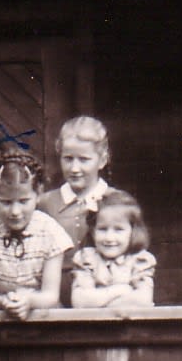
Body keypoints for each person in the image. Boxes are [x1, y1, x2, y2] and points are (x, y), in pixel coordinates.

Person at [0, 151, 73, 321]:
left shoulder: (51, 233)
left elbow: (50, 295)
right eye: (6, 202)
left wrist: (28, 301)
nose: (15, 211)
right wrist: (6, 302)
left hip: (44, 318)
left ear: (38, 194)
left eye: (24, 201)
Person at [37, 116, 122, 305]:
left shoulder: (118, 202)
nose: (74, 168)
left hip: (104, 300)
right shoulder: (44, 204)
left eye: (84, 160)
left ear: (102, 160)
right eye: (68, 159)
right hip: (53, 303)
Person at [69, 190, 156, 308]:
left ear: (133, 231)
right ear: (93, 231)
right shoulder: (86, 258)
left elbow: (143, 300)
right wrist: (120, 290)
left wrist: (98, 303)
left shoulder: (140, 260)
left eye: (118, 229)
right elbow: (80, 302)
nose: (109, 238)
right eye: (103, 229)